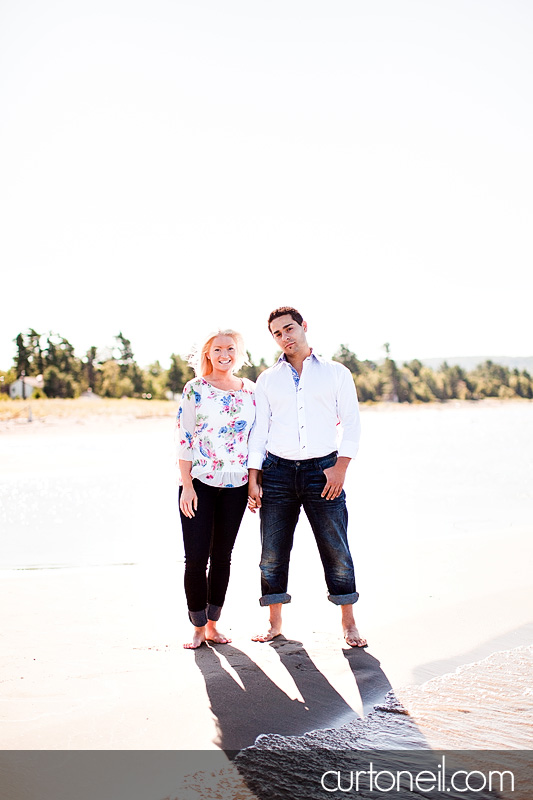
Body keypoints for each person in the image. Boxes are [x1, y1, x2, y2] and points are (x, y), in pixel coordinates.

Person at [247, 307, 367, 647]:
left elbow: (352, 423)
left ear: (303, 327)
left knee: (336, 548)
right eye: (277, 333)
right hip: (277, 473)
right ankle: (274, 623)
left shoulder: (335, 373)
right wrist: (254, 477)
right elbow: (259, 431)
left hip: (323, 471)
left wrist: (340, 468)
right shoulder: (268, 380)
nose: (285, 337)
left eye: (289, 329)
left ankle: (349, 622)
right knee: (272, 552)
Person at [176, 329, 255, 649]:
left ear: (239, 352)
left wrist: (253, 483)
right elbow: (184, 438)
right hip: (199, 484)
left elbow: (256, 440)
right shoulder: (195, 388)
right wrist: (186, 486)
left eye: (231, 348)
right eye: (218, 348)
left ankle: (212, 624)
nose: (225, 353)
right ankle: (196, 627)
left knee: (222, 556)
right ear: (207, 353)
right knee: (196, 558)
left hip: (236, 485)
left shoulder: (250, 390)